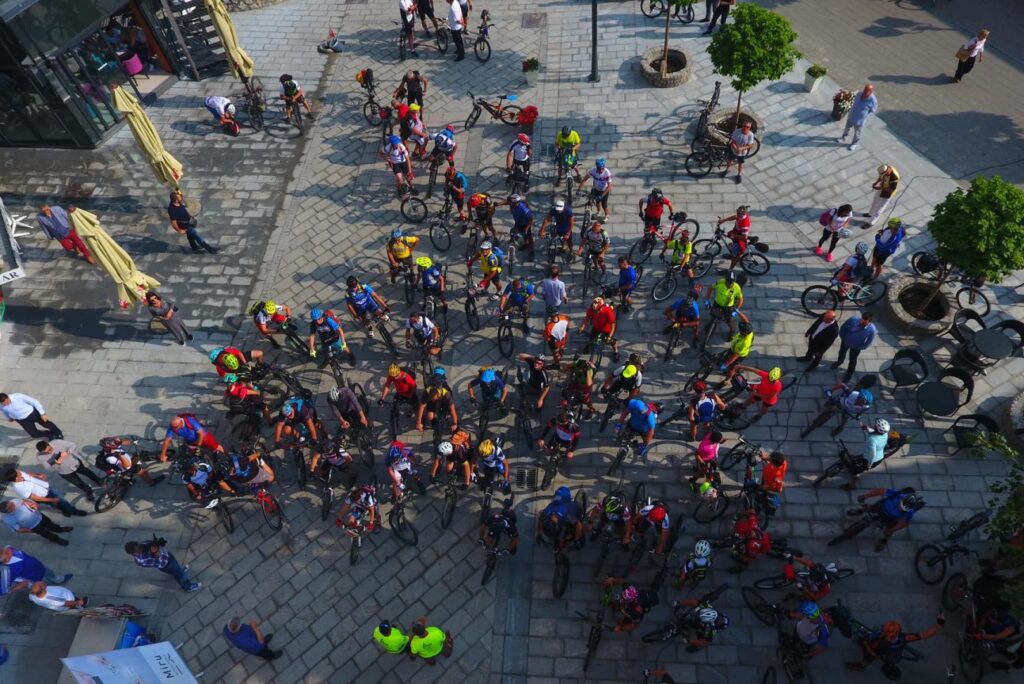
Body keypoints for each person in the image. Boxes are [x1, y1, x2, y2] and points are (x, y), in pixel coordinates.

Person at [846, 616, 944, 677]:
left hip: (886, 656)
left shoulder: (880, 642)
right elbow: (924, 635)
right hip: (895, 657)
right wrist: (940, 623)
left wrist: (865, 643)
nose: (882, 628)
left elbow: (873, 653)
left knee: (868, 658)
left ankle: (861, 666)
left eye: (884, 629)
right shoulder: (903, 637)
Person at [855, 486, 924, 551]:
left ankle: (884, 541)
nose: (900, 508)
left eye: (903, 509)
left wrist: (892, 530)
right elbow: (880, 491)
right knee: (869, 508)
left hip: (892, 518)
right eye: (900, 505)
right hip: (882, 507)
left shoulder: (909, 512)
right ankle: (862, 510)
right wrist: (865, 496)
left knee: (888, 532)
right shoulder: (897, 494)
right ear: (902, 499)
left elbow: (903, 523)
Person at [35, 440, 103, 502]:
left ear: (48, 444)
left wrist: (68, 452)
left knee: (86, 472)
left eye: (50, 449)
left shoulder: (57, 443)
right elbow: (49, 469)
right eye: (46, 452)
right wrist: (58, 463)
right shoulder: (40, 457)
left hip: (75, 463)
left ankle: (98, 480)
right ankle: (89, 491)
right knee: (78, 483)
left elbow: (73, 445)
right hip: (64, 472)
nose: (49, 452)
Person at [124, 537, 200, 591]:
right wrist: (156, 551)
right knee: (179, 573)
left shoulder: (142, 544)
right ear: (134, 552)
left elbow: (150, 543)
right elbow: (159, 560)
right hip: (166, 564)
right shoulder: (142, 560)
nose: (141, 547)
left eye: (140, 546)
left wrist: (156, 543)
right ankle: (188, 587)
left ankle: (179, 572)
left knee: (177, 570)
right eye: (139, 549)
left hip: (168, 556)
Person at [3, 468, 81, 518]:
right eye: (18, 473)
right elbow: (34, 497)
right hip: (45, 496)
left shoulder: (19, 474)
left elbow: (28, 475)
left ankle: (68, 510)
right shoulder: (19, 488)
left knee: (62, 501)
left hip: (47, 487)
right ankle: (72, 511)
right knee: (57, 503)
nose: (20, 472)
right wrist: (51, 499)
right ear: (15, 478)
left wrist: (38, 475)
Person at [840, 418, 891, 491]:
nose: (874, 425)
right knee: (857, 461)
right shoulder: (885, 433)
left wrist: (869, 465)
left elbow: (872, 455)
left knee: (855, 472)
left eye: (875, 425)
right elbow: (875, 432)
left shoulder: (872, 440)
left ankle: (852, 486)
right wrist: (866, 428)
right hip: (877, 456)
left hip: (871, 459)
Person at [96, 437, 163, 486]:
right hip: (126, 466)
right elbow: (127, 466)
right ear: (110, 447)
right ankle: (151, 482)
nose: (116, 444)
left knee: (135, 458)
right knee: (142, 472)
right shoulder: (111, 458)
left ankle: (128, 480)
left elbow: (123, 442)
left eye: (115, 443)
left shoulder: (112, 447)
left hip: (126, 459)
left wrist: (130, 442)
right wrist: (120, 455)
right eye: (115, 444)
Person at [1, 499, 72, 545]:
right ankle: (56, 539)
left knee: (51, 524)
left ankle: (59, 529)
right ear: (8, 510)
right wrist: (30, 530)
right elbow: (17, 529)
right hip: (34, 526)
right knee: (46, 534)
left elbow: (24, 501)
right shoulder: (8, 519)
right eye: (11, 505)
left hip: (39, 516)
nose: (14, 504)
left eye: (11, 503)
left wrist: (33, 505)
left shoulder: (14, 501)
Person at [832, 311, 877, 382]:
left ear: (869, 322)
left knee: (852, 361)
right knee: (841, 352)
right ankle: (839, 362)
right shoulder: (853, 319)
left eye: (864, 322)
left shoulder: (872, 330)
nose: (861, 322)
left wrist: (860, 347)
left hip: (856, 347)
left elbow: (868, 342)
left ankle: (849, 375)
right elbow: (844, 327)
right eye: (861, 319)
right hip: (846, 341)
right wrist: (842, 336)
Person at [159, 413, 224, 462]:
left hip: (204, 437)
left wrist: (198, 447)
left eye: (176, 427)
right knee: (194, 454)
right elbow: (166, 441)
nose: (174, 429)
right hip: (191, 441)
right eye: (172, 426)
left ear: (181, 423)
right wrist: (163, 454)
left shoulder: (190, 421)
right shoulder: (172, 427)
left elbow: (201, 434)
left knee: (216, 447)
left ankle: (224, 458)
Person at [1, 545, 72, 589]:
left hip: (39, 567)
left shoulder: (9, 549)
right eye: (6, 553)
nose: (9, 550)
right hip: (33, 579)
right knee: (43, 588)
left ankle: (59, 580)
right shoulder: (9, 571)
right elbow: (6, 586)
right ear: (4, 560)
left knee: (51, 575)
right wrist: (19, 586)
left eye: (3, 550)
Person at [417, 368, 459, 433]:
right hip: (434, 402)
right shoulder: (427, 391)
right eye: (432, 398)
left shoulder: (447, 393)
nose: (434, 399)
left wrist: (455, 423)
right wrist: (419, 423)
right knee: (430, 417)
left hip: (444, 401)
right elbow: (421, 406)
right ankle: (433, 419)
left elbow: (452, 409)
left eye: (435, 398)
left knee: (451, 412)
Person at [839, 83, 878, 151]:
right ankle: (843, 137)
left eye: (867, 91)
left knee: (857, 133)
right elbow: (852, 95)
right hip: (852, 115)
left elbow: (873, 110)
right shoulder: (859, 93)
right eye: (865, 90)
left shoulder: (873, 101)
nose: (865, 93)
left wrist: (864, 114)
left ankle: (854, 144)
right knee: (847, 128)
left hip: (860, 120)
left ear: (871, 92)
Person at [579, 296, 619, 361]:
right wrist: (582, 327)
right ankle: (588, 346)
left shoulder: (607, 310)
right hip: (596, 327)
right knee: (591, 338)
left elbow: (613, 325)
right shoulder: (592, 309)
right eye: (594, 311)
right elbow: (587, 318)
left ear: (601, 307)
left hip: (607, 329)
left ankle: (616, 352)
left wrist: (610, 336)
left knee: (612, 341)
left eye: (597, 310)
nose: (595, 312)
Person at [706, 270, 744, 337]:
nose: (730, 284)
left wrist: (736, 310)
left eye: (731, 283)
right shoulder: (720, 282)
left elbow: (741, 299)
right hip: (717, 303)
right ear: (725, 280)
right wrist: (707, 299)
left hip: (728, 307)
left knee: (728, 320)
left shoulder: (737, 287)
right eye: (728, 282)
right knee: (713, 315)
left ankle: (732, 330)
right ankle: (711, 325)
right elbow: (711, 287)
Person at [717, 205, 752, 269]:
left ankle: (730, 269)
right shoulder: (740, 215)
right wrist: (724, 220)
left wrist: (734, 236)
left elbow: (744, 237)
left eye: (738, 213)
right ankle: (733, 254)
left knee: (734, 256)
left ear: (743, 213)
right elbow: (735, 217)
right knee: (729, 235)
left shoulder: (745, 223)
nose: (737, 214)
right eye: (737, 212)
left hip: (740, 238)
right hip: (737, 232)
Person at [505, 194, 535, 261]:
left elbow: (531, 219)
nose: (509, 203)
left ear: (515, 203)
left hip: (525, 224)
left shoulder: (523, 208)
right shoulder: (512, 203)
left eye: (511, 202)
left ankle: (532, 251)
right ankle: (525, 244)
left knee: (528, 236)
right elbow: (507, 202)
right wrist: (498, 204)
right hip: (518, 223)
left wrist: (527, 228)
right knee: (513, 232)